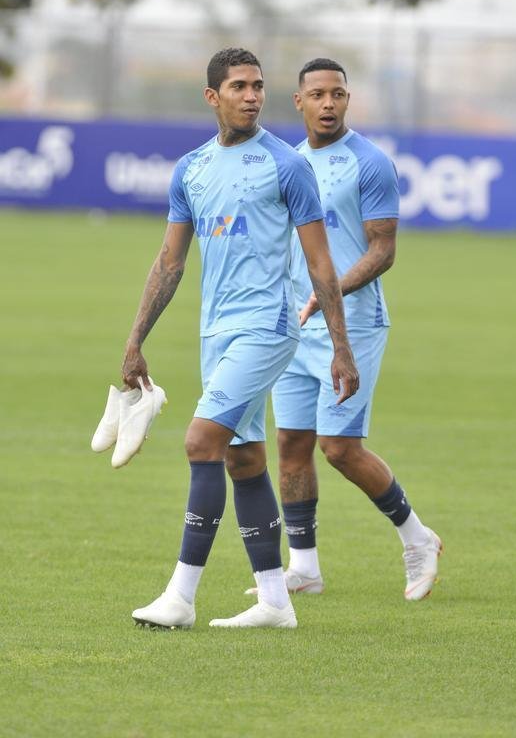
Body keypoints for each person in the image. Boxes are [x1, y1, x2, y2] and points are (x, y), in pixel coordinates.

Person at [121, 48, 359, 630]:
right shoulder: (191, 169)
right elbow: (169, 263)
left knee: (201, 442)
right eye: (238, 87)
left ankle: (181, 597)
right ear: (213, 97)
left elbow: (321, 265)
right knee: (243, 458)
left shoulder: (286, 165)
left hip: (268, 326)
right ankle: (276, 602)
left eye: (257, 86)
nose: (252, 96)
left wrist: (340, 347)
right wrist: (134, 341)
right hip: (216, 332)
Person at [264, 58, 442, 602]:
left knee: (338, 448)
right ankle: (305, 567)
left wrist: (330, 291)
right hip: (296, 325)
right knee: (292, 443)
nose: (328, 104)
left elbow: (383, 249)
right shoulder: (288, 162)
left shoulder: (371, 163)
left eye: (337, 94)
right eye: (317, 94)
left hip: (353, 323)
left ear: (347, 99)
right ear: (299, 102)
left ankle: (418, 538)